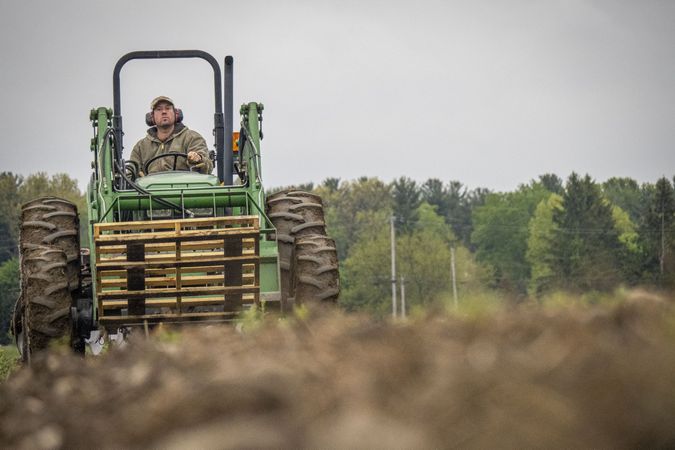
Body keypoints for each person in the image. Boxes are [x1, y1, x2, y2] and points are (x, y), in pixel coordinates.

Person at [130, 96, 213, 176]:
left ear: (176, 114)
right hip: (150, 189)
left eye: (168, 108)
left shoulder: (192, 137)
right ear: (152, 117)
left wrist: (198, 159)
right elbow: (131, 173)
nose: (164, 112)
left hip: (185, 187)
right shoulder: (141, 146)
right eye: (159, 109)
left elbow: (207, 167)